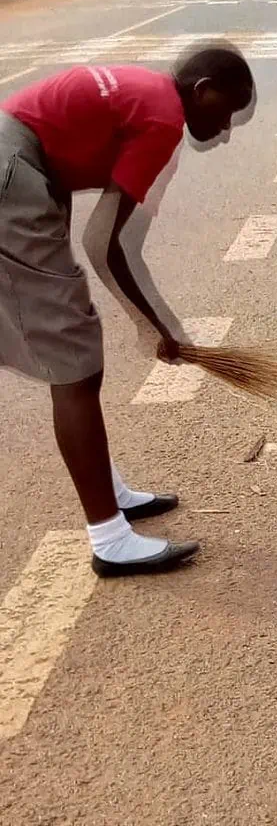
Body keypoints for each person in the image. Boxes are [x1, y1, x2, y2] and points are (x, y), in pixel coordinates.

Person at [0, 45, 257, 576]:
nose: (227, 130)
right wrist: (157, 328)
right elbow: (106, 245)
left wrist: (153, 321)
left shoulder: (148, 93)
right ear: (202, 88)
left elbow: (109, 228)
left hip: (18, 164)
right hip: (12, 175)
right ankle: (110, 539)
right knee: (75, 363)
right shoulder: (162, 116)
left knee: (76, 345)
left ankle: (109, 490)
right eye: (228, 112)